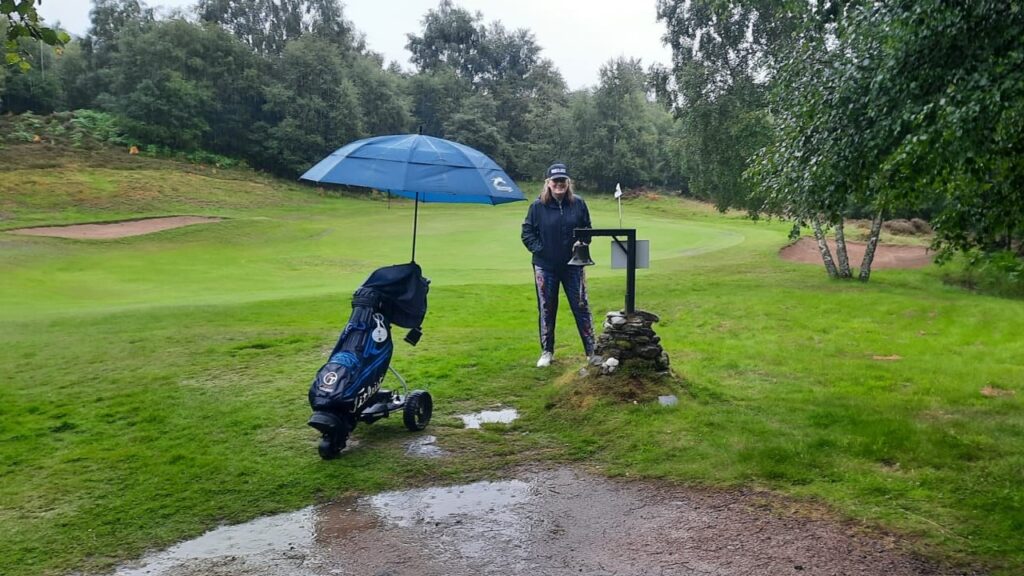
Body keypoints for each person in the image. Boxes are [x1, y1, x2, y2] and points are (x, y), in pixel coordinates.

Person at [521, 163, 596, 368]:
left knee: (581, 307)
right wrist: (541, 249)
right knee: (547, 308)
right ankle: (547, 351)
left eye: (563, 180)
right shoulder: (537, 207)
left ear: (568, 182)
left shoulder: (578, 203)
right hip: (545, 267)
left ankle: (592, 351)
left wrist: (583, 242)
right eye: (555, 181)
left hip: (574, 265)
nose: (559, 184)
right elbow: (527, 233)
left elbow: (587, 229)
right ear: (548, 183)